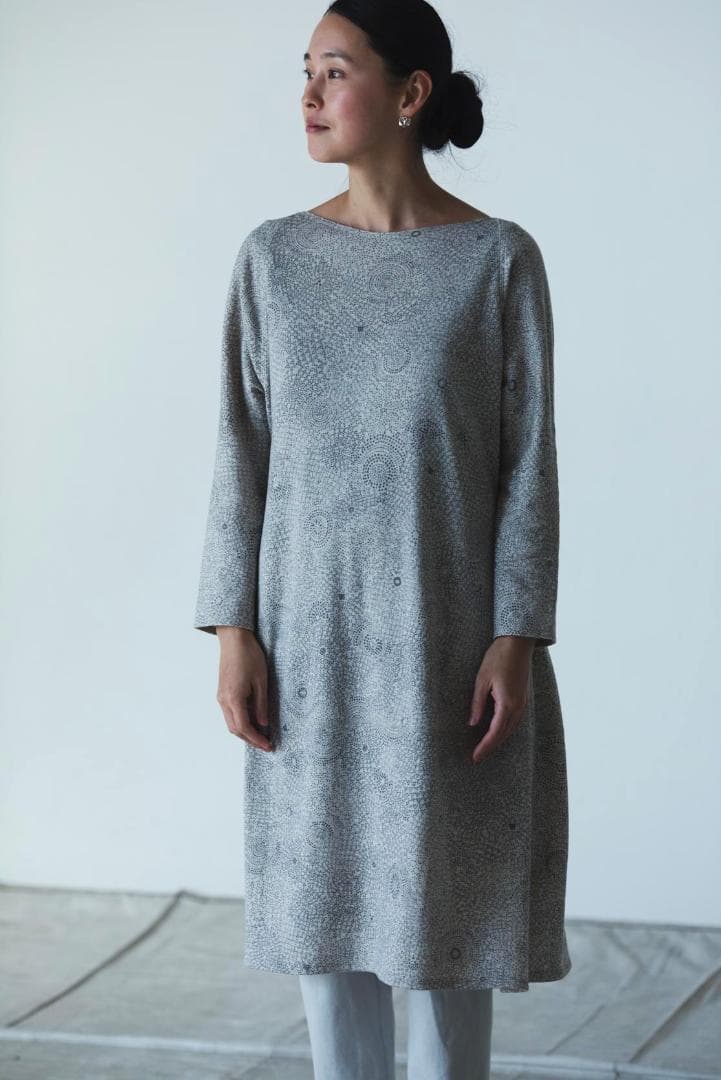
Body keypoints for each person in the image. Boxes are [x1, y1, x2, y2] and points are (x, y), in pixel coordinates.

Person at [193, 0, 572, 1076]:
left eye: (335, 71)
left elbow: (528, 462)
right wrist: (233, 629)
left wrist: (516, 635)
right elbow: (239, 451)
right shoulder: (272, 260)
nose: (308, 96)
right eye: (304, 72)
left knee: (448, 929)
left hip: (449, 649)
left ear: (409, 94)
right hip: (308, 650)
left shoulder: (496, 262)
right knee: (326, 930)